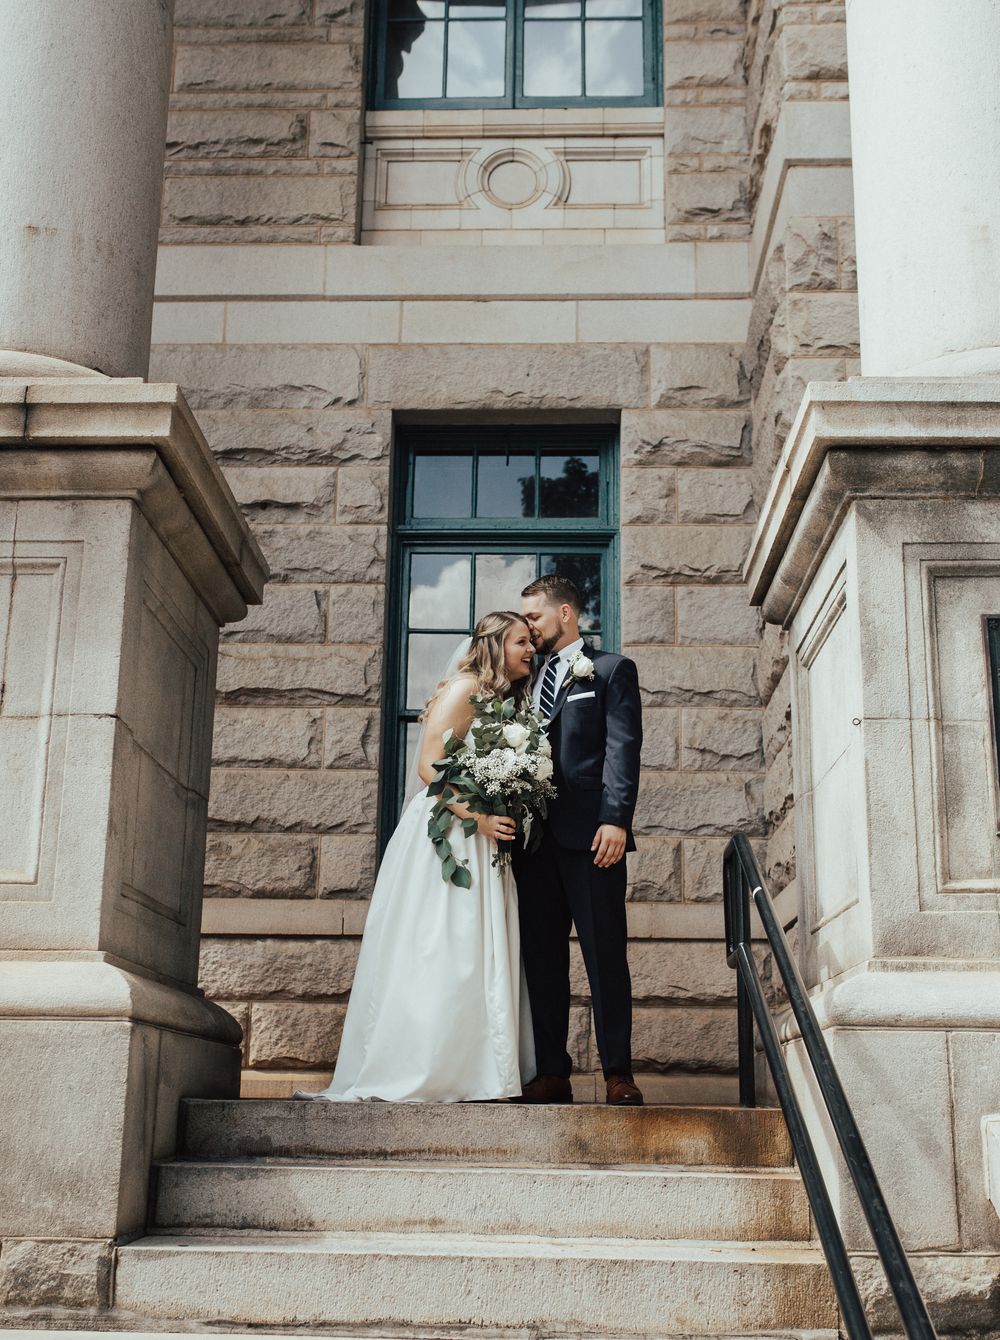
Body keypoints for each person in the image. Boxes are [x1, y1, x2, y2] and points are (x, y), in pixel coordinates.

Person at [294, 612, 537, 1103]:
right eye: (521, 642)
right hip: (451, 832)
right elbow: (428, 767)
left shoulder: (503, 700)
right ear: (495, 646)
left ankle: (478, 1066)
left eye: (531, 641)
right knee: (443, 941)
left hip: (483, 835)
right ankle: (428, 1063)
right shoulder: (465, 688)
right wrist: (480, 819)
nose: (531, 649)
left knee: (474, 944)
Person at [513, 574, 644, 1107]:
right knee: (541, 959)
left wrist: (616, 819)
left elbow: (622, 748)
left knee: (604, 955)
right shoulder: (522, 679)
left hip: (593, 839)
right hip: (531, 844)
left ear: (564, 613)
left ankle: (618, 1073)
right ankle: (552, 1072)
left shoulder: (610, 670)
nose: (529, 628)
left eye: (535, 617)